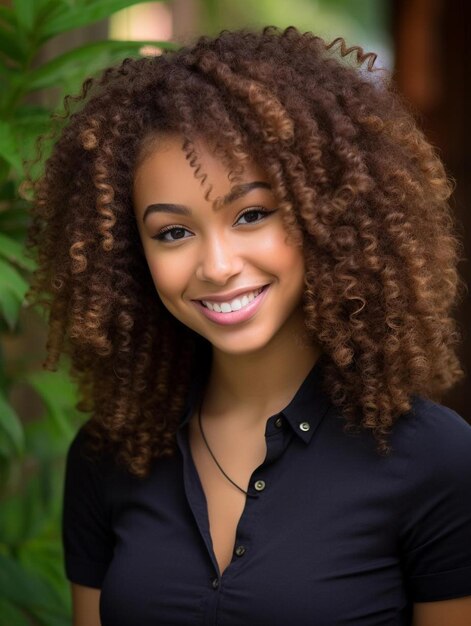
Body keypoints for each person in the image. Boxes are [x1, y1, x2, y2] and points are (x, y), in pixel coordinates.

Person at [26, 25, 471, 626]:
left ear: (328, 213)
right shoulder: (108, 458)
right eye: (173, 232)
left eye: (252, 214)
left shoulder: (435, 460)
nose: (217, 266)